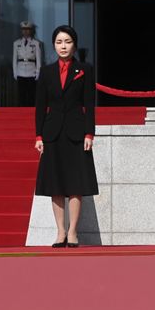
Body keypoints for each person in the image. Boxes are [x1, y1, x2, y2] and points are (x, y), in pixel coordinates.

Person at [35, 25, 98, 248]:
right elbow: (40, 106)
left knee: (75, 184)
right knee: (55, 185)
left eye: (67, 41)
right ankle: (60, 232)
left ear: (74, 44)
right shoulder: (46, 71)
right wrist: (39, 135)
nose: (63, 46)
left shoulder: (85, 70)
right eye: (59, 42)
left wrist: (90, 132)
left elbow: (89, 104)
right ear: (54, 45)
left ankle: (73, 232)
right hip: (52, 133)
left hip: (77, 133)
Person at [13, 21, 43, 107]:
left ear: (31, 31)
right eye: (23, 29)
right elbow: (14, 59)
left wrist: (38, 72)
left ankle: (30, 111)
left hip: (31, 71)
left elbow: (38, 59)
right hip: (20, 70)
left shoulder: (36, 43)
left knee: (31, 94)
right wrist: (15, 72)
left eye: (27, 29)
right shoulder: (16, 43)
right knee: (21, 94)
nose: (25, 31)